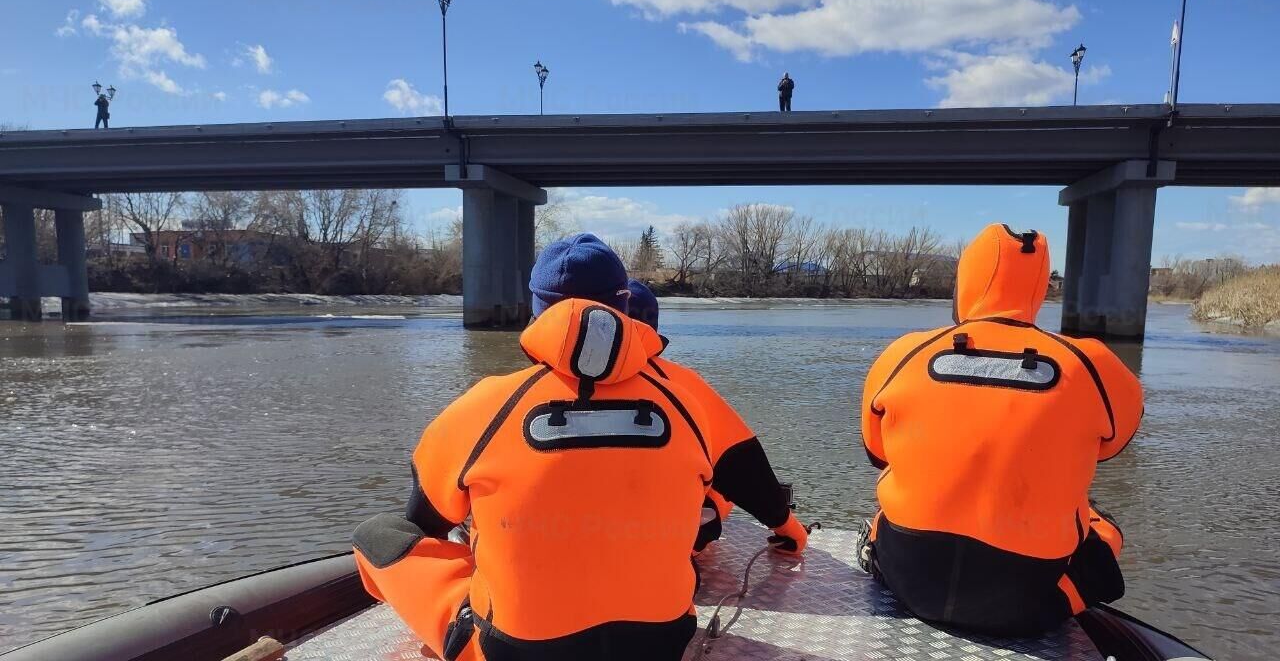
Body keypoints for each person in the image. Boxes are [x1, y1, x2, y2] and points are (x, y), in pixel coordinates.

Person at [351, 234, 803, 661]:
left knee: (380, 534)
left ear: (536, 313)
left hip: (515, 653)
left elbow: (424, 523)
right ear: (625, 305)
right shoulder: (689, 398)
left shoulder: (483, 405)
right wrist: (791, 532)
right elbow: (752, 478)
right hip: (660, 645)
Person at [858, 223, 1142, 636]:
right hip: (1025, 603)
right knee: (1103, 526)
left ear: (966, 282)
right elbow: (1109, 447)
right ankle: (1067, 596)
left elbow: (877, 451)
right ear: (1040, 286)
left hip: (907, 580)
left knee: (895, 489)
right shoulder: (1094, 364)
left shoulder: (904, 352)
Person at [626, 279, 808, 555]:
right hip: (665, 547)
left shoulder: (540, 383)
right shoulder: (682, 382)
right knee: (720, 485)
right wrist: (788, 528)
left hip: (564, 534)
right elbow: (744, 466)